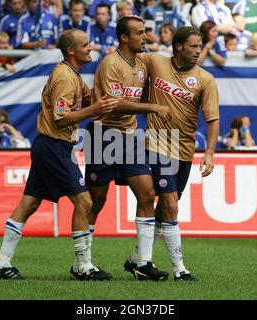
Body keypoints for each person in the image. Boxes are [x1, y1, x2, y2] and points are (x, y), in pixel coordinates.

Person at [0, 29, 117, 280]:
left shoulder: (72, 75)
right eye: (85, 45)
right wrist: (94, 108)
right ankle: (82, 267)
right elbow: (61, 119)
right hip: (55, 146)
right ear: (71, 51)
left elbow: (90, 98)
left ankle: (1, 264)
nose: (90, 48)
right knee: (85, 203)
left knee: (29, 204)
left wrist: (109, 87)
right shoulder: (64, 78)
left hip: (49, 145)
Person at [125, 26, 220, 281]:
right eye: (192, 46)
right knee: (171, 205)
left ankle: (137, 258)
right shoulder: (155, 61)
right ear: (178, 47)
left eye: (199, 47)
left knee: (165, 210)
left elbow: (213, 120)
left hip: (184, 150)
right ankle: (180, 269)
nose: (197, 51)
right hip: (156, 143)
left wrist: (209, 153)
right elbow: (128, 58)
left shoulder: (206, 79)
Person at [85, 15, 171, 281]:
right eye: (140, 33)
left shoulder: (141, 64)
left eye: (145, 32)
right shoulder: (111, 63)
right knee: (96, 201)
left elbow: (139, 97)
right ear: (124, 37)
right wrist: (153, 108)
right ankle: (82, 263)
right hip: (103, 135)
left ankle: (142, 263)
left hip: (130, 137)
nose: (145, 37)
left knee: (147, 194)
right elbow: (115, 104)